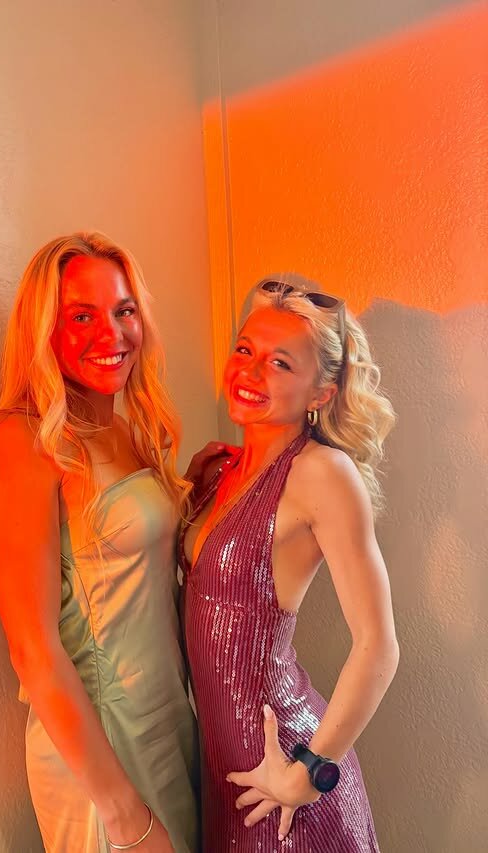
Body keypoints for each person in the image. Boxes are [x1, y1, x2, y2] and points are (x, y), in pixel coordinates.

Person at [0, 232, 203, 852]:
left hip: (167, 723)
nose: (112, 333)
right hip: (99, 751)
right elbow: (33, 650)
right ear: (42, 330)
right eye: (81, 316)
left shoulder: (124, 430)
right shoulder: (21, 443)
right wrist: (125, 816)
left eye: (124, 310)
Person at [180, 274, 399, 851]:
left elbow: (379, 647)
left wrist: (310, 774)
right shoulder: (219, 470)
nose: (250, 372)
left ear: (321, 394)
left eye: (280, 364)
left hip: (285, 782)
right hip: (224, 774)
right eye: (244, 350)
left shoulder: (322, 473)